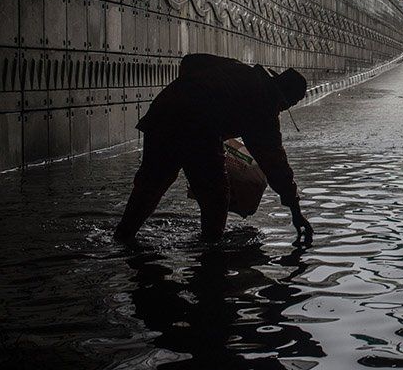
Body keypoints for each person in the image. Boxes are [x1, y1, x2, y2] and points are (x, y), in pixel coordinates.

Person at [114, 53, 314, 245]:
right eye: (287, 106)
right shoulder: (263, 104)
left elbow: (190, 61)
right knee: (216, 195)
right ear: (284, 99)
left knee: (151, 184)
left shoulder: (240, 70)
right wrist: (296, 212)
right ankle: (211, 251)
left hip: (163, 112)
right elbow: (275, 165)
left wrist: (195, 93)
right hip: (198, 128)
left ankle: (123, 235)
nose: (282, 110)